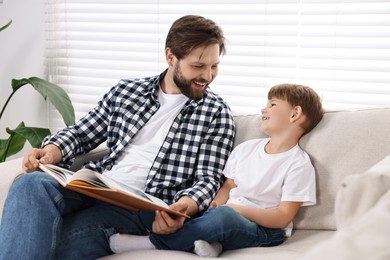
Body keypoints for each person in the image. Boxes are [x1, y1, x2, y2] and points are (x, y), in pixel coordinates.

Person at [0, 15, 235, 259]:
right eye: (198, 66)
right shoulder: (126, 92)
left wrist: (182, 209)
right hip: (95, 185)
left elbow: (207, 179)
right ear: (170, 57)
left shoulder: (216, 113)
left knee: (43, 242)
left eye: (214, 66)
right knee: (28, 183)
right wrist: (51, 150)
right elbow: (81, 133)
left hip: (139, 208)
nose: (207, 75)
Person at [110, 83, 324, 257]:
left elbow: (282, 218)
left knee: (223, 218)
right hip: (228, 213)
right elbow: (229, 185)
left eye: (273, 104)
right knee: (212, 214)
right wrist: (216, 203)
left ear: (295, 113)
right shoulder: (246, 149)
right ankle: (214, 244)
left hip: (265, 229)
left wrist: (235, 210)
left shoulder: (298, 164)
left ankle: (152, 243)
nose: (263, 109)